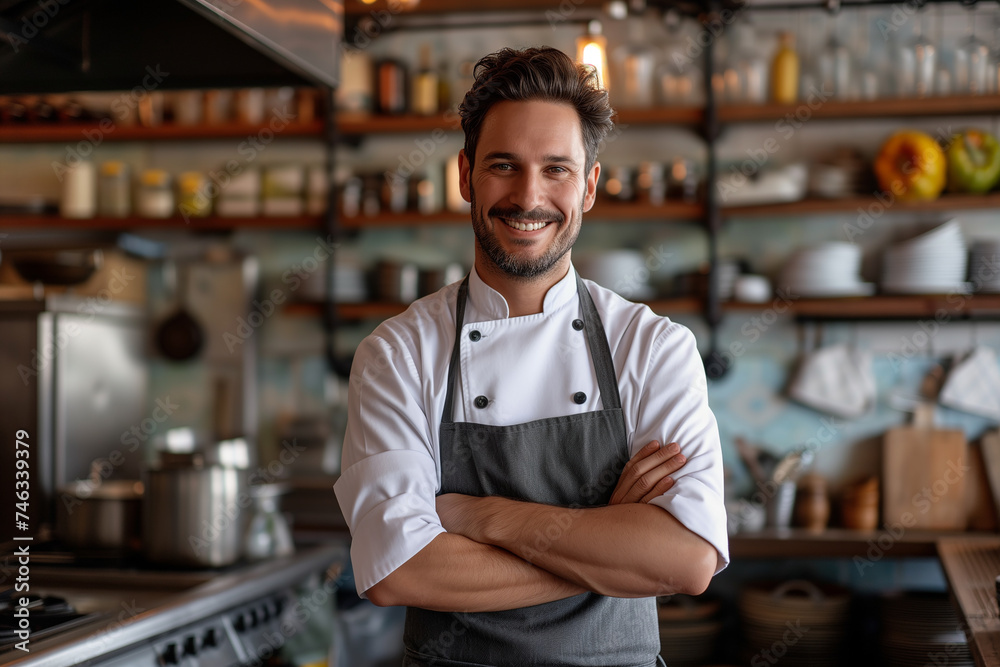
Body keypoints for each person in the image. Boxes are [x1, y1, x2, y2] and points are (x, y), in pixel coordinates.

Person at [334, 46, 729, 667]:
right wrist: (613, 545)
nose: (528, 196)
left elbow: (687, 560)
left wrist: (479, 516)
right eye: (502, 165)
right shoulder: (399, 354)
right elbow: (400, 571)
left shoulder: (653, 348)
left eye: (557, 169)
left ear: (589, 186)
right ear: (465, 176)